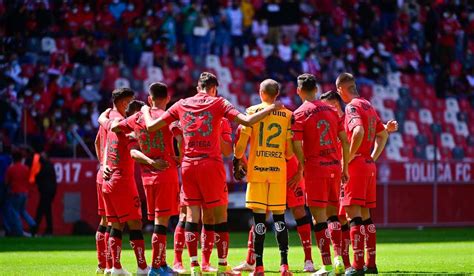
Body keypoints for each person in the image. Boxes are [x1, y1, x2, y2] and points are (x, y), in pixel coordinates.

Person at [141, 72, 281, 276]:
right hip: (211, 165)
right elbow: (247, 120)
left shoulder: (182, 103)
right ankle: (223, 266)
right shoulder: (219, 103)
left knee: (191, 215)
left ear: (199, 87)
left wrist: (145, 109)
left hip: (188, 165)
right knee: (219, 216)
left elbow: (151, 126)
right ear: (214, 88)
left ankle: (194, 266)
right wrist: (271, 108)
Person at [320, 90, 398, 271]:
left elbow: (359, 132)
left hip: (347, 171)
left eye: (327, 107)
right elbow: (371, 131)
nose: (324, 110)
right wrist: (385, 129)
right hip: (359, 167)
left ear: (335, 104)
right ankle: (363, 263)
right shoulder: (338, 120)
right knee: (360, 216)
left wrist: (347, 161)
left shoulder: (344, 118)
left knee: (346, 216)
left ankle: (353, 264)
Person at [110, 83, 180, 275]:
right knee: (161, 222)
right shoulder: (169, 115)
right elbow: (180, 137)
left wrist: (133, 133)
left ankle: (162, 264)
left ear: (150, 99)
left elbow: (115, 127)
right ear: (167, 98)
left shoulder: (137, 117)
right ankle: (156, 267)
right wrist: (179, 156)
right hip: (165, 173)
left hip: (147, 177)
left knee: (158, 220)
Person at [289, 74, 350, 275]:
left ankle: (327, 265)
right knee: (334, 216)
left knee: (318, 219)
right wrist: (345, 167)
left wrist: (301, 166)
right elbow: (345, 140)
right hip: (334, 166)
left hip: (315, 169)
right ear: (316, 89)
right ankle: (339, 258)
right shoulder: (333, 111)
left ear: (299, 91)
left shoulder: (298, 114)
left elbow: (296, 143)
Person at [233, 79, 294, 276]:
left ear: (260, 92)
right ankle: (284, 265)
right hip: (278, 171)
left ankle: (258, 267)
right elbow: (289, 153)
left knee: (259, 220)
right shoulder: (287, 114)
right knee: (279, 219)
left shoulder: (251, 111)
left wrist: (237, 159)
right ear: (277, 94)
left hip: (257, 171)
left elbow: (241, 144)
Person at [232, 142, 316, 273]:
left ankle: (308, 260)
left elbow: (299, 142)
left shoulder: (290, 121)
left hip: (290, 167)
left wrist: (300, 171)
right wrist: (244, 163)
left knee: (298, 210)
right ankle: (251, 260)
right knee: (261, 213)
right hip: (270, 167)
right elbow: (239, 140)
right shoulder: (257, 121)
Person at [335, 73, 389, 276]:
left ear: (341, 89)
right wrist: (372, 157)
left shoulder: (352, 107)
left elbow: (357, 132)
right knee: (366, 217)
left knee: (352, 216)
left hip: (356, 165)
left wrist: (348, 159)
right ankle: (371, 264)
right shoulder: (368, 105)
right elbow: (382, 135)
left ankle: (357, 267)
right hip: (368, 165)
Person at [97, 88, 149, 276]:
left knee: (115, 225)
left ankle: (115, 267)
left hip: (108, 181)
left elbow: (102, 136)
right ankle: (143, 268)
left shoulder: (111, 123)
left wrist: (103, 165)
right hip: (122, 181)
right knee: (135, 224)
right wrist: (152, 162)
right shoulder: (126, 128)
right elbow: (134, 152)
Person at [5, 150, 37, 236]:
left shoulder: (11, 169)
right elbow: (29, 181)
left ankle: (19, 231)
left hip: (16, 192)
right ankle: (33, 224)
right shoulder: (26, 168)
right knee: (23, 211)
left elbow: (7, 182)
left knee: (15, 212)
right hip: (25, 193)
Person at [34, 152, 57, 236]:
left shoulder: (45, 167)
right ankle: (48, 230)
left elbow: (38, 177)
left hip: (46, 193)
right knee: (47, 212)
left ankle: (35, 229)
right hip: (48, 192)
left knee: (40, 212)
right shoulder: (49, 166)